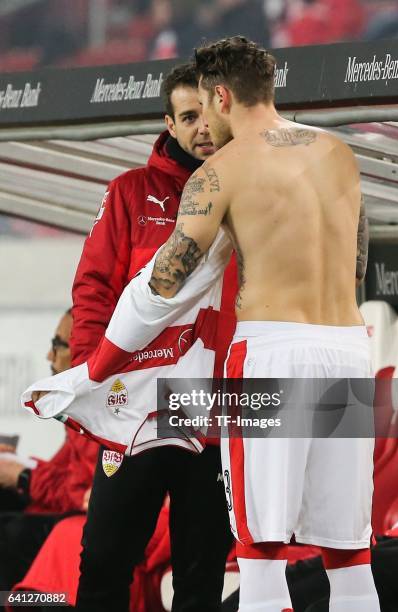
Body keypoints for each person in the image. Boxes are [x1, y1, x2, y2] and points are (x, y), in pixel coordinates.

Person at [143, 37, 380, 612]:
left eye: (206, 106)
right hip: (347, 348)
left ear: (221, 95)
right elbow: (356, 265)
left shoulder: (220, 172)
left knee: (259, 545)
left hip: (271, 354)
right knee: (349, 551)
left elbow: (167, 282)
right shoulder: (339, 153)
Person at [71, 63, 235, 612]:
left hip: (215, 414)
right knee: (104, 563)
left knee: (200, 575)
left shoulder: (254, 194)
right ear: (169, 122)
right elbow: (93, 290)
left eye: (208, 113)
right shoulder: (129, 192)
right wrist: (90, 382)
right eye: (188, 116)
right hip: (136, 409)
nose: (202, 128)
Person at [0, 310, 98, 605]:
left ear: (85, 350)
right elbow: (64, 473)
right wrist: (19, 467)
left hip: (94, 524)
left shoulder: (99, 407)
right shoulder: (78, 405)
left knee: (10, 531)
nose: (49, 355)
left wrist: (25, 476)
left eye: (58, 345)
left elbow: (82, 492)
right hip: (80, 515)